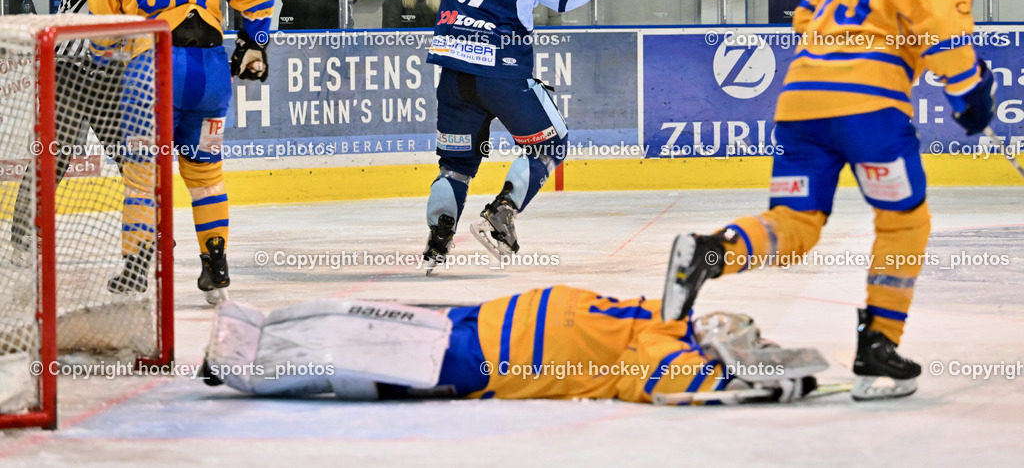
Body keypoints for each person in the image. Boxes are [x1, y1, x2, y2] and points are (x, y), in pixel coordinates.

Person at [662, 0, 1000, 401]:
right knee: (905, 220)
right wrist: (973, 100)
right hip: (869, 110)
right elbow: (950, 45)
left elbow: (805, 17)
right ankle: (879, 348)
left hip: (801, 102)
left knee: (795, 223)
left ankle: (709, 253)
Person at [89, 0, 277, 304]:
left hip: (151, 74)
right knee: (207, 177)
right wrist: (254, 44)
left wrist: (107, 64)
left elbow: (101, 32)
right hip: (211, 75)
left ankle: (137, 269)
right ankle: (216, 266)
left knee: (142, 178)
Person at [202, 283, 825, 405]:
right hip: (486, 318)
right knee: (354, 314)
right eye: (731, 320)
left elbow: (660, 382)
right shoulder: (669, 318)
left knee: (360, 354)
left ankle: (244, 369)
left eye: (732, 333)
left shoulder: (672, 356)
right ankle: (251, 328)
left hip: (486, 361)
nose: (720, 322)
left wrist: (741, 384)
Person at [421, 0, 615, 272]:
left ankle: (438, 241)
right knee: (551, 143)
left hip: (454, 76)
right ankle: (502, 213)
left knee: (455, 166)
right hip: (503, 74)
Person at [8, 0, 142, 277]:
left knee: (132, 159)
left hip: (109, 74)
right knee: (56, 155)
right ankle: (22, 235)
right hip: (68, 73)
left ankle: (147, 231)